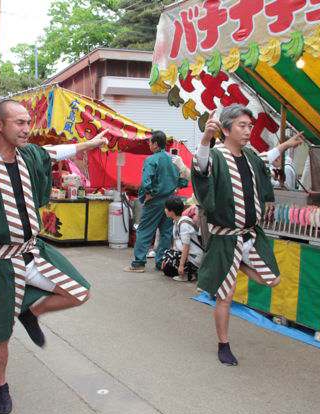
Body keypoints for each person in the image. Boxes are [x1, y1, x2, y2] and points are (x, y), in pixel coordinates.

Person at [0, 98, 108, 414]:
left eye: (27, 122)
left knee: (79, 291)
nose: (26, 129)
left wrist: (91, 143)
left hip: (32, 251)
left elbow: (55, 152)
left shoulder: (28, 156)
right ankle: (2, 388)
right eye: (18, 123)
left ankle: (31, 312)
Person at [193, 105, 302, 366]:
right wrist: (206, 139)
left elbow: (267, 158)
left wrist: (286, 145)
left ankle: (238, 264)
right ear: (226, 128)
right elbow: (201, 167)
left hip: (249, 236)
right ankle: (224, 344)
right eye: (242, 125)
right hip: (224, 238)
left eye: (249, 126)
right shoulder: (216, 155)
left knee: (272, 280)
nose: (247, 130)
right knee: (225, 297)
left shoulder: (250, 156)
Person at [124, 131, 188, 272]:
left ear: (155, 144)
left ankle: (139, 263)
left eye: (150, 142)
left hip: (155, 202)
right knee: (165, 232)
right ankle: (161, 262)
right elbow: (183, 180)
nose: (149, 144)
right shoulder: (173, 159)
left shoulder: (151, 160)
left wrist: (151, 193)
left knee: (145, 230)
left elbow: (146, 183)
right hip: (170, 201)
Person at [161, 196, 203, 282]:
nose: (164, 210)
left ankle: (189, 274)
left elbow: (186, 247)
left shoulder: (184, 224)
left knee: (169, 270)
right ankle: (188, 272)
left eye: (166, 208)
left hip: (193, 256)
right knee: (167, 267)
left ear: (171, 211)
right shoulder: (177, 221)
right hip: (187, 254)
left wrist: (181, 265)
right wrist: (167, 259)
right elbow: (175, 244)